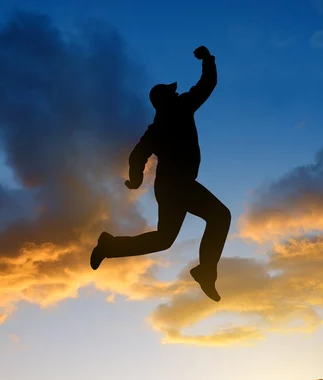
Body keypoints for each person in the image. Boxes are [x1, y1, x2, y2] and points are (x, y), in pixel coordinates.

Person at [90, 45, 230, 302]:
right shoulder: (182, 107)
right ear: (166, 99)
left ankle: (109, 245)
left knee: (164, 239)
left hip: (166, 188)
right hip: (179, 185)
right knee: (220, 217)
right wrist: (207, 59)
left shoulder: (154, 129)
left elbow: (136, 155)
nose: (178, 94)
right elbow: (208, 83)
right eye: (173, 93)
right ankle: (206, 270)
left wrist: (136, 179)